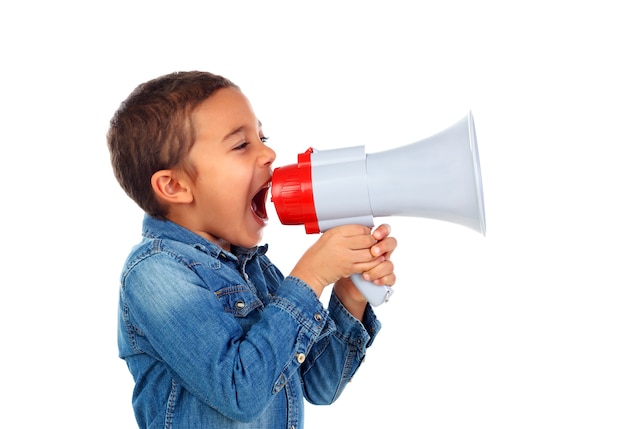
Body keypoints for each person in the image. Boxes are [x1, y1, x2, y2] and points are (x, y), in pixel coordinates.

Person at [107, 70, 397, 428]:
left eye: (262, 137)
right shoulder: (155, 273)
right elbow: (239, 391)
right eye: (241, 145)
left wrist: (348, 293)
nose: (269, 153)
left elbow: (320, 385)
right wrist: (310, 276)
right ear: (175, 185)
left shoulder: (255, 269)